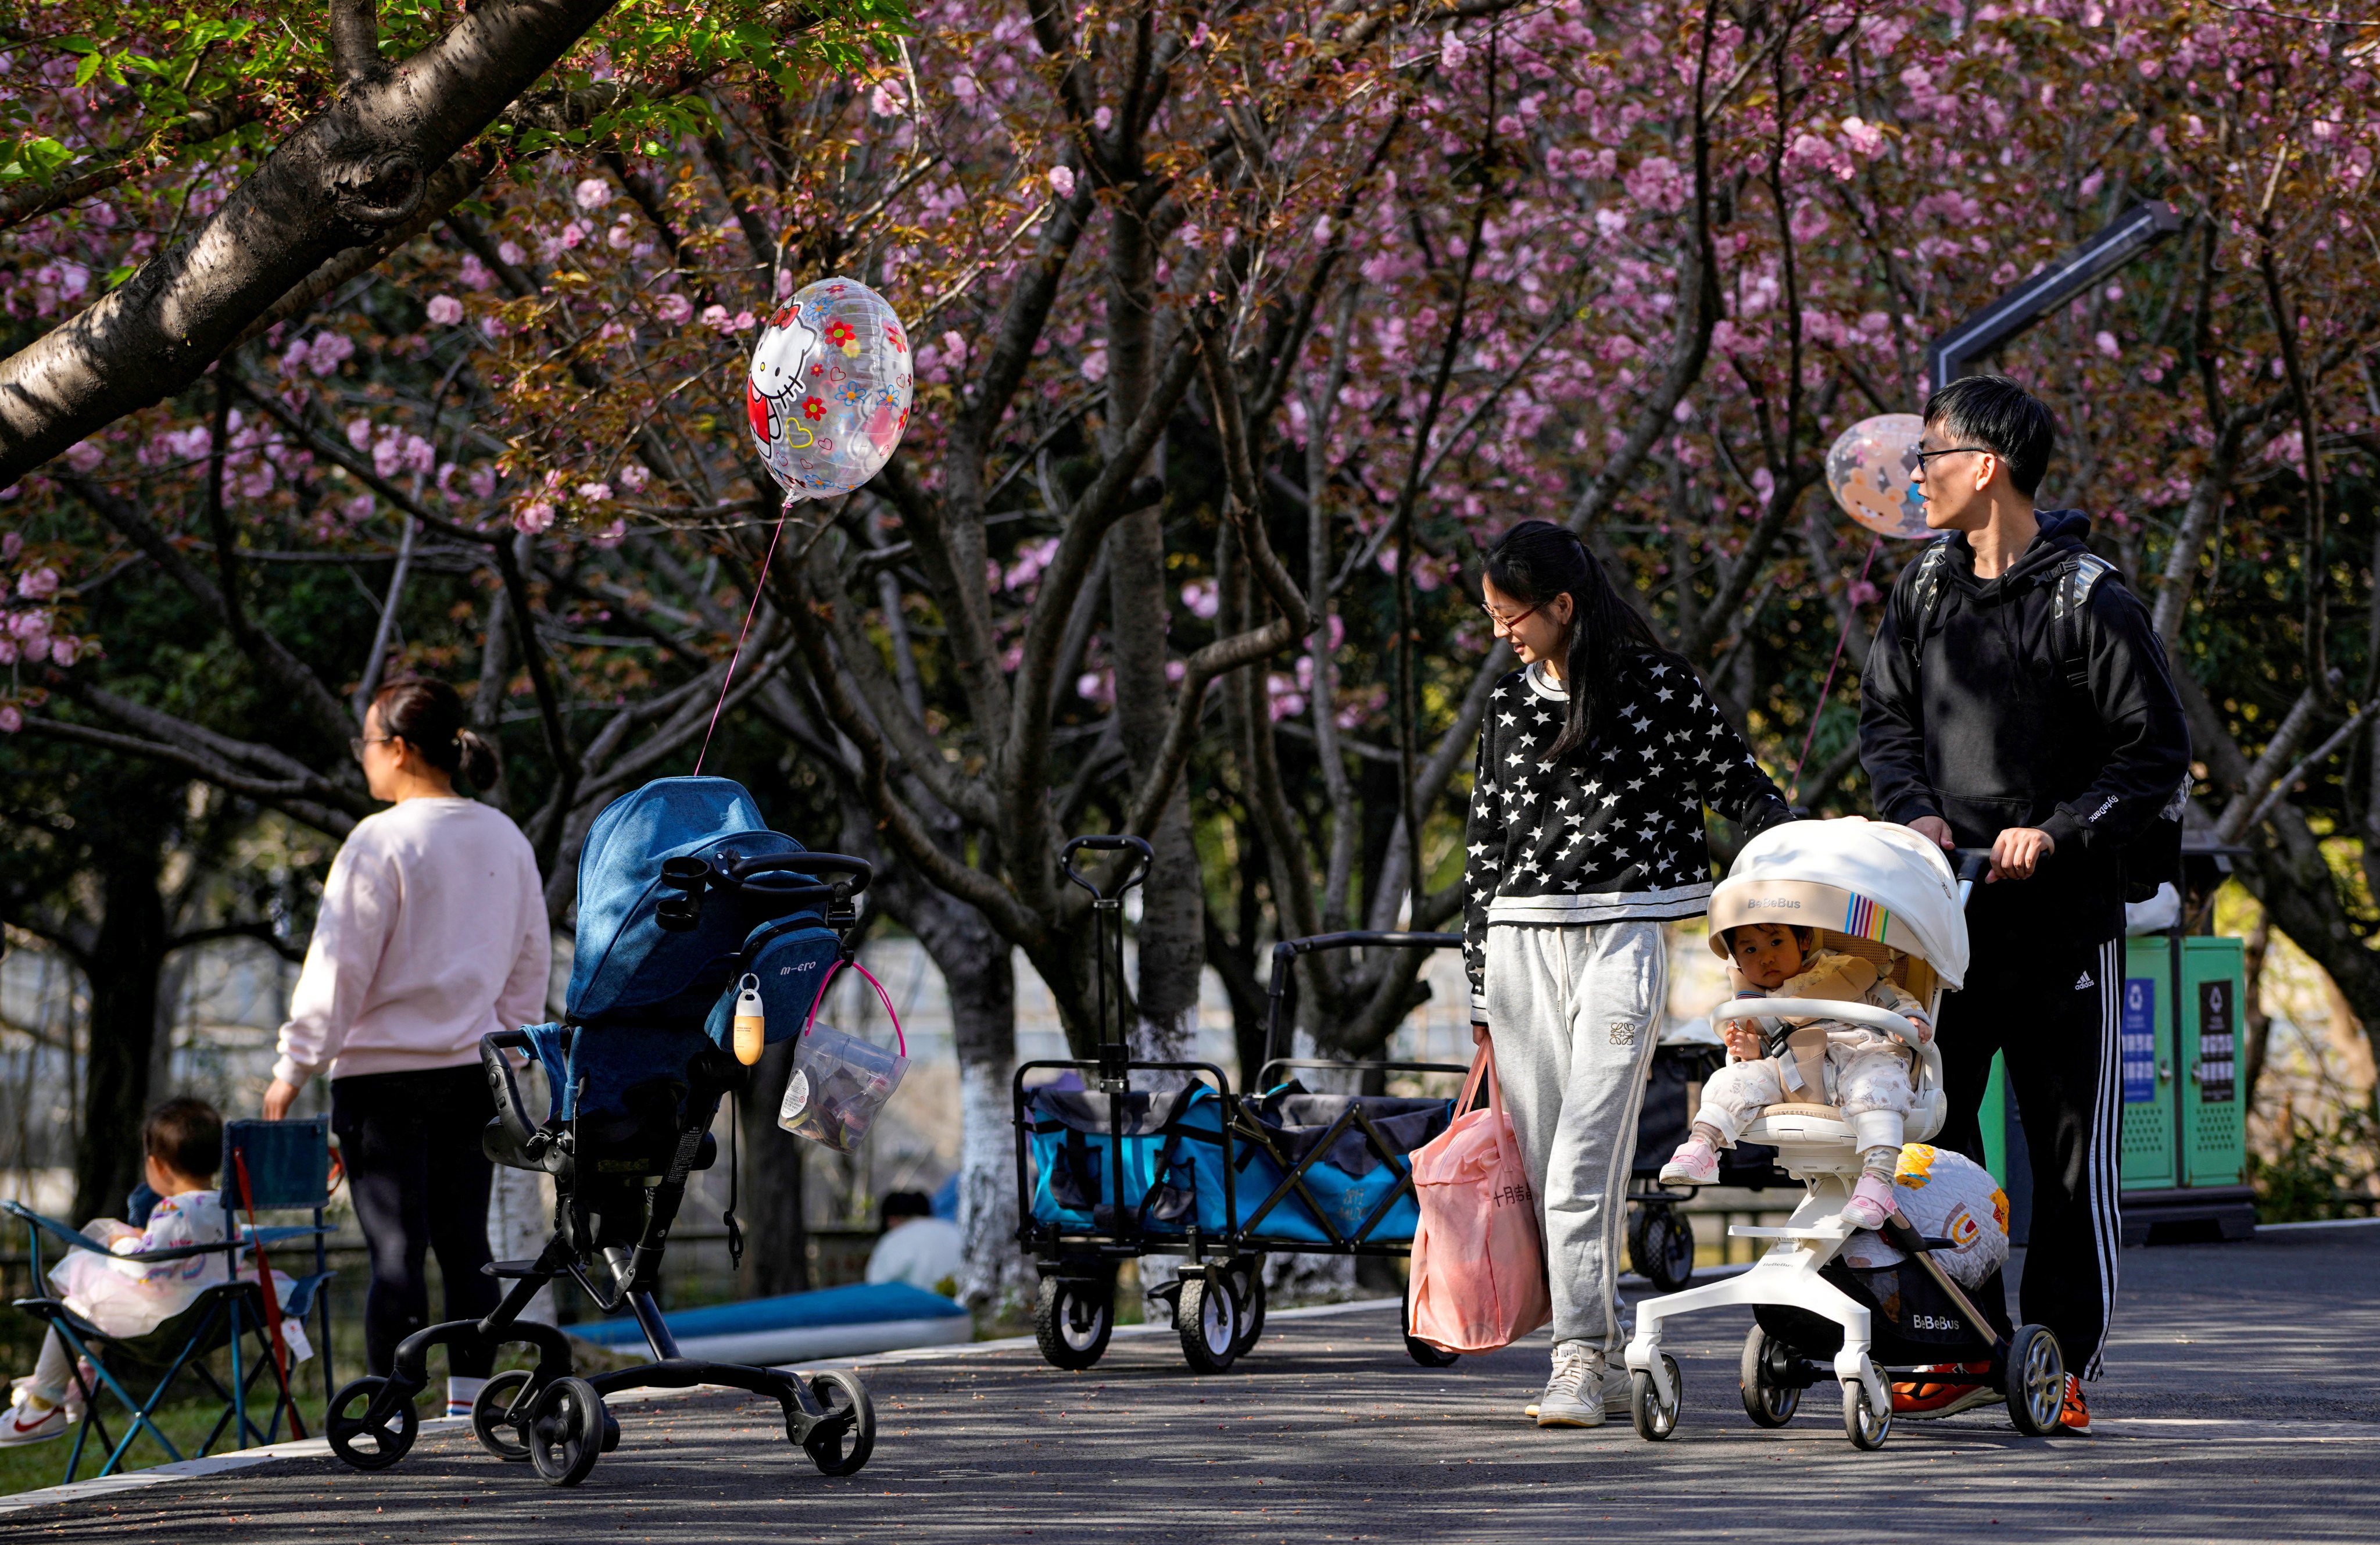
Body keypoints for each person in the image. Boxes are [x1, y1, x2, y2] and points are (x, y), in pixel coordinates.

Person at [1859, 374, 2189, 1433]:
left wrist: (2058, 828)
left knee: (2065, 1154)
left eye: (1932, 457)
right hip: (1943, 923)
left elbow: (2154, 754)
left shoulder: (2091, 598)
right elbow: (1886, 723)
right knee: (1936, 1140)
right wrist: (1913, 811)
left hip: (2062, 926)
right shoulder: (1920, 591)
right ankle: (1958, 1341)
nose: (1918, 477)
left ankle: (2059, 1355)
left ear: (1986, 465)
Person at [1463, 520, 1794, 1428]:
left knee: (1581, 1160)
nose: (1502, 632)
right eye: (1491, 615)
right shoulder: (1505, 707)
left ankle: (1573, 1359)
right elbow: (1482, 852)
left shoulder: (1658, 687)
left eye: (1512, 614)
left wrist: (1799, 843)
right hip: (1518, 946)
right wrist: (1478, 991)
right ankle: (1600, 1356)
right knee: (1544, 1169)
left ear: (1562, 604)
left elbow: (1735, 781)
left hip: (1622, 938)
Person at [264, 678, 550, 1419]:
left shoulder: (378, 840)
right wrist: (515, 1048)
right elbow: (531, 957)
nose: (363, 758)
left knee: (397, 1250)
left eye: (366, 743)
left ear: (396, 748)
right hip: (472, 1074)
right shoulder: (505, 837)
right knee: (467, 1244)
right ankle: (469, 1404)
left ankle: (392, 1404)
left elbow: (338, 969)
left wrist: (294, 1065)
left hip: (382, 1081)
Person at [2, 1099, 312, 1446]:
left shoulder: (172, 1210)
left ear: (158, 1167)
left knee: (76, 1305)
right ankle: (78, 1379)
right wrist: (148, 1240)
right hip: (207, 1316)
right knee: (92, 1306)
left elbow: (141, 1270)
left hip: (165, 1322)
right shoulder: (227, 1208)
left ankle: (44, 1404)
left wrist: (121, 1242)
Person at [1660, 921, 1931, 1228]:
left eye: (1776, 943)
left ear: (1804, 940)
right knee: (1732, 1079)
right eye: (1750, 950)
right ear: (1736, 961)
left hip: (1859, 1056)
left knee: (1880, 1082)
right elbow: (1761, 1058)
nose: (1765, 958)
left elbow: (1894, 999)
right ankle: (1702, 1147)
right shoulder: (1758, 1004)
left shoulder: (1845, 971)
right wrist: (1750, 1050)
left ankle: (1878, 1180)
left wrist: (1909, 1021)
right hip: (1791, 1073)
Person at [864, 1190, 963, 1297]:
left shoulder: (895, 1239)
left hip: (914, 1311)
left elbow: (876, 1290)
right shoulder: (955, 1232)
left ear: (891, 1220)